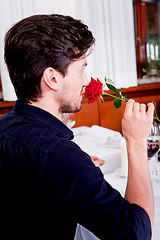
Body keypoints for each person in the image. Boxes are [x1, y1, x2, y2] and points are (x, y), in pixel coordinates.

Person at [0, 14, 154, 239]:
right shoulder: (59, 157)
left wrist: (69, 169)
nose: (85, 81)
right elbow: (137, 233)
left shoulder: (5, 126)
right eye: (81, 70)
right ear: (52, 79)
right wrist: (137, 142)